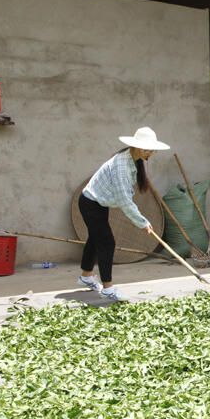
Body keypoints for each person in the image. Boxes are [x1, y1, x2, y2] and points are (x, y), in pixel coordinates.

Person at [78, 126, 170, 301]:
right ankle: (108, 288)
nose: (150, 152)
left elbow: (126, 197)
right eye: (146, 149)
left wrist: (141, 221)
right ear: (135, 146)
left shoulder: (133, 160)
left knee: (95, 238)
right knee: (106, 242)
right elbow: (124, 201)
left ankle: (86, 277)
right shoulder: (121, 165)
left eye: (152, 149)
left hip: (98, 203)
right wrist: (142, 222)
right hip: (90, 202)